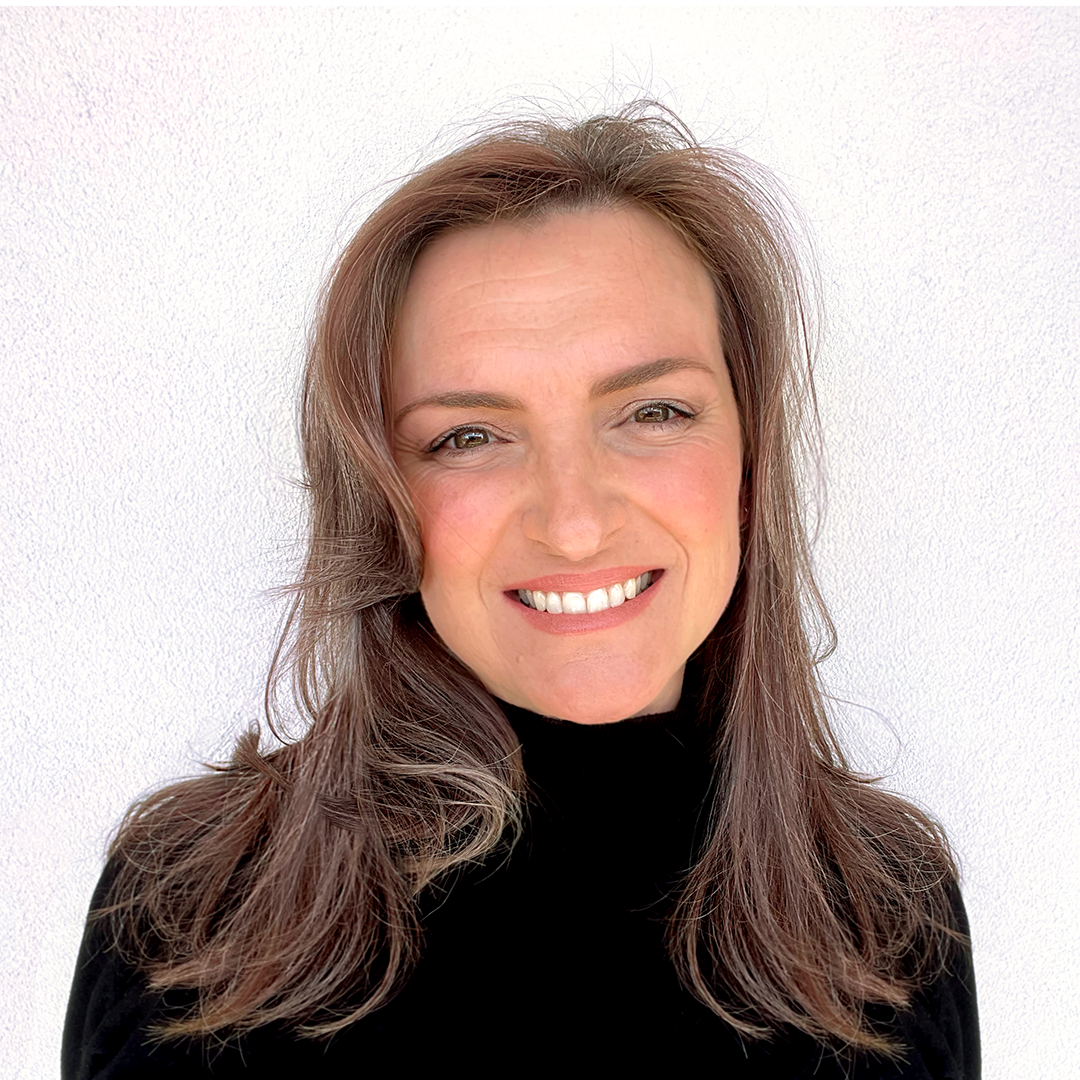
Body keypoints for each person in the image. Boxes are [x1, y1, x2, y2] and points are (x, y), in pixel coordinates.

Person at [62, 103, 979, 1077]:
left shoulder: (886, 910)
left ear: (749, 462)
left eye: (654, 412)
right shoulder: (192, 904)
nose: (574, 522)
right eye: (469, 436)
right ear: (382, 500)